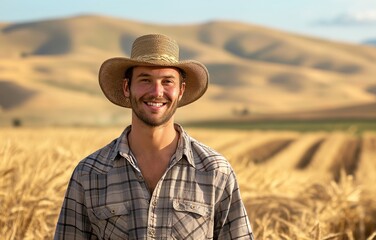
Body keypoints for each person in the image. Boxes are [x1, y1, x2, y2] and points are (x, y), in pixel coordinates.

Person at [54, 34, 254, 239]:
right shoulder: (89, 174)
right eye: (145, 80)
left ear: (181, 90)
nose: (157, 91)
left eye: (167, 81)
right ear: (126, 87)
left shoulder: (215, 172)